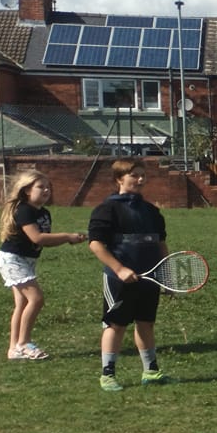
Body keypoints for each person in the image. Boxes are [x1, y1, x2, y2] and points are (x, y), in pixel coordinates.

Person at [86, 159, 171, 391]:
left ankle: (151, 371)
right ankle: (108, 374)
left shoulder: (152, 212)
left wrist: (166, 274)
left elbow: (160, 243)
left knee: (146, 323)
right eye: (134, 175)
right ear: (119, 179)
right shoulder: (107, 209)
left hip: (149, 277)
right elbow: (96, 245)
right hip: (118, 280)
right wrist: (119, 269)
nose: (140, 180)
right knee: (116, 324)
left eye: (143, 175)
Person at [0, 170, 85, 360]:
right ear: (27, 190)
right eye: (40, 187)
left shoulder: (43, 213)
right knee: (36, 299)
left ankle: (14, 350)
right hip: (13, 260)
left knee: (22, 303)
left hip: (27, 260)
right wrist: (68, 237)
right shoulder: (24, 210)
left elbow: (43, 241)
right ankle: (24, 343)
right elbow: (38, 238)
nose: (46, 190)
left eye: (48, 187)